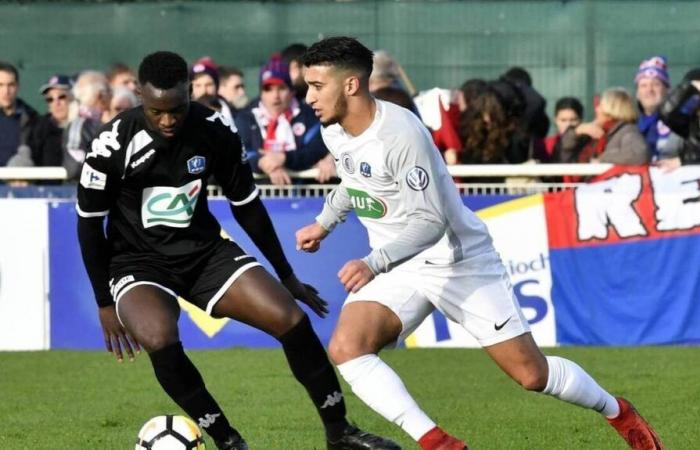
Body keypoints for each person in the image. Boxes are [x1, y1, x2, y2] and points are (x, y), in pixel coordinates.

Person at [296, 36, 665, 450]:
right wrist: (325, 222)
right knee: (348, 347)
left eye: (316, 85)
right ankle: (437, 442)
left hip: (456, 259)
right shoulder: (333, 130)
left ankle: (618, 411)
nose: (308, 96)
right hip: (401, 266)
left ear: (351, 85)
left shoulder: (400, 133)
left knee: (532, 375)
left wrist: (373, 261)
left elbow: (430, 221)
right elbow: (354, 179)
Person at [75, 51, 399, 450]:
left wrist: (286, 275)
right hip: (138, 263)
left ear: (190, 93)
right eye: (157, 110)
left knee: (291, 319)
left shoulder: (214, 129)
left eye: (176, 109)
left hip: (205, 254)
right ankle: (228, 441)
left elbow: (246, 206)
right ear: (140, 95)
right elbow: (89, 225)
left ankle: (340, 432)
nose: (167, 120)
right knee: (159, 335)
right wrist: (104, 302)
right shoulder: (110, 145)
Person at [235, 54, 328, 185]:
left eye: (281, 88)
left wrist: (283, 158)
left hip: (305, 194)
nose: (275, 96)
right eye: (268, 89)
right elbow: (238, 152)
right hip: (260, 195)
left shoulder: (309, 115)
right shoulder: (246, 118)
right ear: (261, 92)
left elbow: (317, 148)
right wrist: (262, 162)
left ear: (291, 91)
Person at [556, 88, 649, 165]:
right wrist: (576, 131)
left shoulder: (628, 131)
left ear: (612, 109)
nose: (596, 109)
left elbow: (638, 155)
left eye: (600, 105)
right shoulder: (597, 129)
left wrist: (602, 158)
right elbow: (564, 147)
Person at [29, 74, 74, 167]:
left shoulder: (86, 126)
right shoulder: (39, 128)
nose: (56, 103)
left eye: (62, 97)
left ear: (73, 98)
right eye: (50, 99)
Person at [0, 61, 38, 167]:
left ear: (17, 87)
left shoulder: (32, 118)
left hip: (20, 181)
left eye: (10, 85)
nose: (6, 91)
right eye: (0, 85)